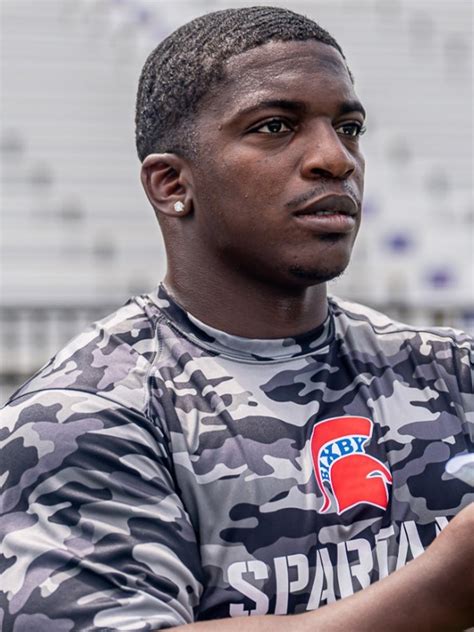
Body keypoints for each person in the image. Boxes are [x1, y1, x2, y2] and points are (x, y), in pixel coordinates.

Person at [0, 6, 473, 631]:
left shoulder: (449, 370)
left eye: (349, 127)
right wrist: (439, 592)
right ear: (172, 184)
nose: (336, 158)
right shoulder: (80, 415)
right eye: (276, 126)